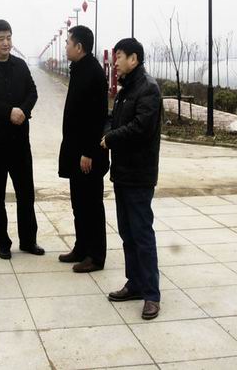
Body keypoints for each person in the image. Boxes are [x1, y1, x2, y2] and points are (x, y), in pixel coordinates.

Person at [101, 37, 162, 320]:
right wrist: (106, 131)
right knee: (127, 233)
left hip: (139, 174)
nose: (115, 62)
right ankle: (135, 283)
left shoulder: (147, 88)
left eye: (119, 56)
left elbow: (140, 128)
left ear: (134, 59)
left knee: (142, 234)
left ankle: (151, 295)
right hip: (123, 173)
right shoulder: (126, 89)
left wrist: (111, 138)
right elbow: (115, 120)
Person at [0, 19, 43, 260]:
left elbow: (33, 92)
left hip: (20, 142)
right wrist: (9, 112)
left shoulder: (20, 66)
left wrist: (23, 110)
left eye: (9, 37)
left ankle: (28, 240)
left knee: (26, 193)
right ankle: (3, 243)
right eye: (1, 38)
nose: (6, 43)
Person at [57, 25, 109, 273]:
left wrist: (88, 152)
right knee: (79, 203)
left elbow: (96, 118)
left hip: (88, 155)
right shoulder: (80, 69)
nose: (66, 47)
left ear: (79, 47)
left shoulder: (93, 73)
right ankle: (81, 247)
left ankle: (95, 256)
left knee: (92, 205)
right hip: (76, 151)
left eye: (68, 43)